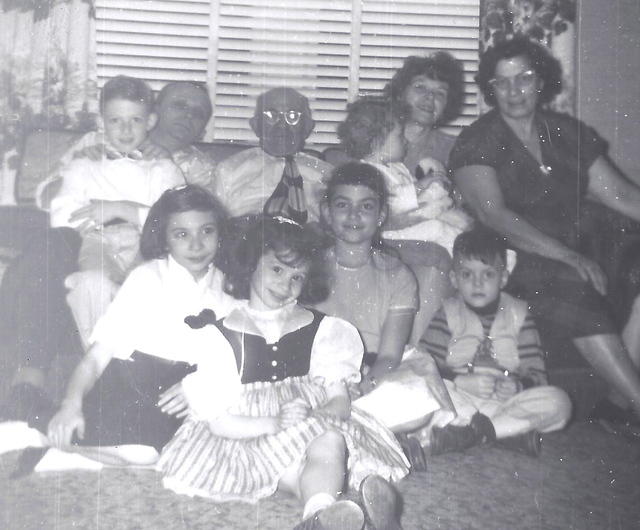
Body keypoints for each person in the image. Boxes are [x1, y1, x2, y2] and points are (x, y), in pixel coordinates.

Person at [158, 215, 408, 530]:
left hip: (313, 423)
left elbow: (340, 402)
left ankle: (318, 516)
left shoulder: (323, 329)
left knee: (328, 442)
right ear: (251, 263)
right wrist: (274, 423)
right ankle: (346, 515)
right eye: (277, 269)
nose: (285, 284)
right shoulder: (220, 335)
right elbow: (220, 423)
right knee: (299, 468)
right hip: (247, 437)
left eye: (297, 277)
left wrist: (311, 419)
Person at [449, 35, 640, 424]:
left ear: (541, 81)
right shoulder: (478, 141)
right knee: (573, 278)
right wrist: (568, 255)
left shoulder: (565, 132)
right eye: (502, 82)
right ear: (490, 89)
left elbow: (620, 195)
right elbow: (494, 215)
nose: (514, 90)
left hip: (579, 246)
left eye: (524, 77)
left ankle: (617, 401)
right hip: (516, 259)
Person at [0, 76, 185, 423]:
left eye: (135, 121)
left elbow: (177, 219)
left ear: (151, 121)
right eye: (115, 121)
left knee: (141, 287)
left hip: (146, 244)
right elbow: (63, 215)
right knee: (91, 283)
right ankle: (94, 378)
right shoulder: (84, 163)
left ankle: (122, 380)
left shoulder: (164, 168)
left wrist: (118, 208)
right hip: (94, 240)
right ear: (102, 122)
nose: (126, 130)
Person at [44, 185, 234, 465]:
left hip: (186, 390)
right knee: (142, 452)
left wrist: (202, 386)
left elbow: (235, 363)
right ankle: (60, 441)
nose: (196, 245)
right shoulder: (145, 278)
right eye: (181, 234)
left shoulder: (229, 289)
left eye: (206, 231)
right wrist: (70, 405)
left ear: (220, 233)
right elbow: (96, 357)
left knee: (172, 452)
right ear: (164, 239)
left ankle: (82, 452)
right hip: (128, 381)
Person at [314, 162, 457, 470]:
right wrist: (337, 388)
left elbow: (391, 355)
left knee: (418, 401)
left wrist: (363, 387)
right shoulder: (310, 267)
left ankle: (351, 439)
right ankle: (375, 439)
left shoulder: (397, 274)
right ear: (327, 213)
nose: (354, 216)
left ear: (380, 216)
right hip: (320, 374)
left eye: (366, 206)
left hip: (376, 371)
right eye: (342, 205)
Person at [419, 228, 572, 457]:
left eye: (488, 274)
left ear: (503, 278)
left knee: (560, 402)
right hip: (460, 397)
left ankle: (471, 435)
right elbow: (424, 365)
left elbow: (538, 376)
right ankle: (506, 435)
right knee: (425, 393)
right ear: (454, 278)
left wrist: (518, 386)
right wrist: (460, 381)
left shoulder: (520, 315)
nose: (477, 284)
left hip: (504, 404)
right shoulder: (447, 312)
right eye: (467, 274)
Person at [337, 98, 470, 343]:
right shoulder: (369, 171)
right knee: (439, 228)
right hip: (388, 232)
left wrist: (434, 194)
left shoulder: (395, 166)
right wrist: (422, 188)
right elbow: (393, 202)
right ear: (378, 143)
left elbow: (415, 200)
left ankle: (480, 256)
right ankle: (465, 272)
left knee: (457, 225)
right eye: (399, 136)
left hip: (407, 224)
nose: (406, 140)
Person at [36, 80, 217, 208]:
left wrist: (169, 163)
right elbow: (44, 199)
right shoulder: (94, 141)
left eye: (199, 113)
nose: (189, 116)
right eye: (180, 105)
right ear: (155, 111)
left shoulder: (204, 170)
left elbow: (194, 223)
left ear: (203, 129)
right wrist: (77, 166)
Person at [214, 86, 332, 223]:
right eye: (271, 116)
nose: (282, 125)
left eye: (292, 116)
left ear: (307, 127)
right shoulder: (228, 169)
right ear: (255, 125)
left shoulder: (328, 174)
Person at [384, 51, 464, 179]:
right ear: (400, 93)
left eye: (440, 93)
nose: (430, 97)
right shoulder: (376, 142)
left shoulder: (456, 150)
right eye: (420, 87)